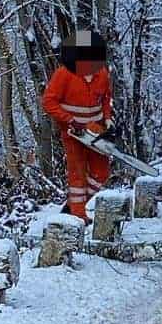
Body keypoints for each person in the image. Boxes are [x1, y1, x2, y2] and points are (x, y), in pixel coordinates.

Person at [42, 30, 115, 220]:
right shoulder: (64, 74)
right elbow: (49, 102)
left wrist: (107, 118)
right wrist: (68, 120)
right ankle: (77, 216)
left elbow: (106, 98)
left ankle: (75, 204)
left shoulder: (102, 73)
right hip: (73, 131)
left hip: (96, 129)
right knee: (77, 173)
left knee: (101, 172)